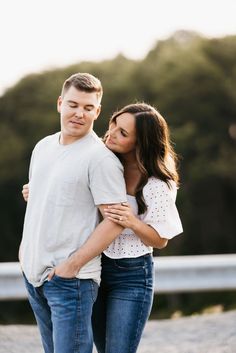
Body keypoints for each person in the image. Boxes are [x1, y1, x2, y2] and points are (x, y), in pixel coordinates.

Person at [22, 101, 183, 353]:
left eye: (123, 133)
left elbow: (160, 240)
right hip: (96, 267)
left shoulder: (157, 183)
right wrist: (41, 189)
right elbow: (72, 188)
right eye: (113, 125)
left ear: (141, 143)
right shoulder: (102, 160)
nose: (111, 134)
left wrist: (131, 222)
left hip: (131, 275)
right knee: (97, 345)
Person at [19, 72, 128, 353]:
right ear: (60, 103)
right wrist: (25, 254)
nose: (79, 113)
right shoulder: (43, 147)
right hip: (35, 277)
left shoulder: (100, 158)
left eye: (88, 107)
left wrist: (73, 265)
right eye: (73, 104)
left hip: (71, 282)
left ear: (98, 111)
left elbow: (115, 223)